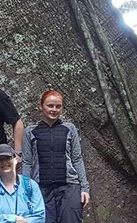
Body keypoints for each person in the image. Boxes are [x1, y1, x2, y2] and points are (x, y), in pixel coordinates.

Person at [21, 91, 89, 223]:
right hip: (41, 188)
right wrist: (26, 189)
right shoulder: (30, 131)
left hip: (69, 187)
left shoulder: (69, 129)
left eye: (58, 106)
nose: (54, 109)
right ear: (41, 106)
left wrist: (84, 189)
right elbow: (27, 162)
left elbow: (77, 159)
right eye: (50, 105)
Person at [0, 144, 45, 223]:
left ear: (15, 159)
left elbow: (40, 216)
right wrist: (13, 220)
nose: (4, 162)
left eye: (8, 158)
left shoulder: (30, 185)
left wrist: (25, 221)